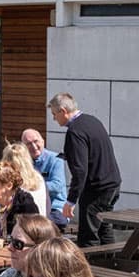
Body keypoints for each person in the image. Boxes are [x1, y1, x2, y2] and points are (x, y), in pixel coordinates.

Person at [48, 92, 121, 247]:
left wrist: (71, 200)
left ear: (63, 111)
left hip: (96, 188)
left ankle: (91, 270)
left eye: (54, 114)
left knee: (88, 236)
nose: (54, 118)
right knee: (103, 228)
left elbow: (80, 171)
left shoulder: (75, 131)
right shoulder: (92, 120)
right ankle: (112, 265)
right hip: (112, 184)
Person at [21, 128, 69, 231]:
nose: (34, 146)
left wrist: (33, 186)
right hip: (32, 209)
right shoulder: (23, 162)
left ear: (43, 141)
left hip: (55, 209)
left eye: (36, 141)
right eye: (29, 144)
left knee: (38, 226)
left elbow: (57, 186)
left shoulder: (56, 159)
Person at [2, 142, 49, 217]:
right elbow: (47, 204)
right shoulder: (38, 177)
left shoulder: (12, 180)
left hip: (22, 223)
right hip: (41, 222)